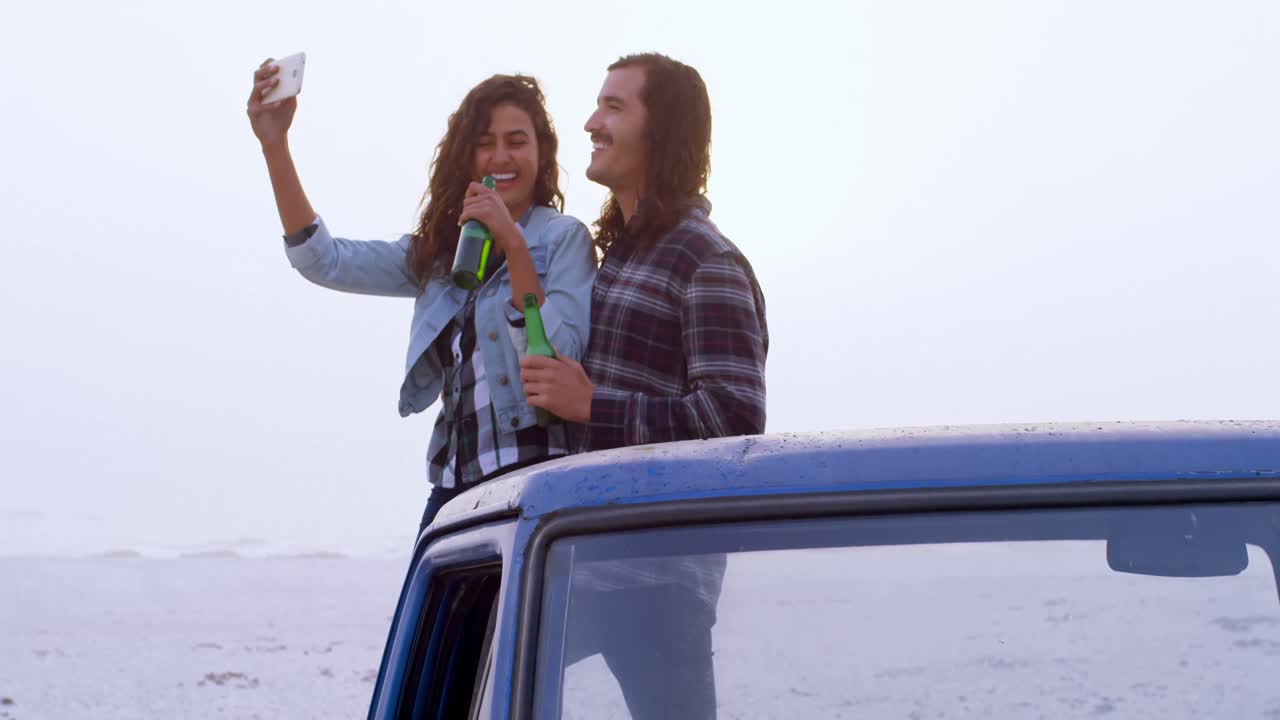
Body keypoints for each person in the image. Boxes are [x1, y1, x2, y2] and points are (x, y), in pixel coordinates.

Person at [520, 53, 768, 719]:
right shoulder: (620, 255)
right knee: (476, 680)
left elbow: (734, 426)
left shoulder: (706, 259)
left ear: (662, 132)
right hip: (583, 555)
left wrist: (589, 405)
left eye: (614, 107)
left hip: (657, 579)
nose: (591, 122)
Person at [246, 64, 596, 533]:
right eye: (485, 143)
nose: (500, 157)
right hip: (457, 485)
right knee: (422, 609)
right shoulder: (440, 253)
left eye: (516, 142)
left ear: (541, 152)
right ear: (465, 156)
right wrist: (275, 145)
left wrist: (512, 243)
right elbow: (322, 260)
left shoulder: (563, 239)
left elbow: (560, 356)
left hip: (535, 474)